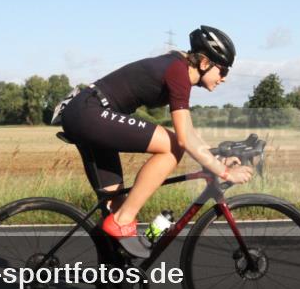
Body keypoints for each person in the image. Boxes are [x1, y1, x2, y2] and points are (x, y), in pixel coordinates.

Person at [60, 25, 253, 241]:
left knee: (115, 207)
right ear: (205, 63)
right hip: (90, 112)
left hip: (87, 113)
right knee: (173, 146)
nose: (224, 78)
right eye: (223, 70)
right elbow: (184, 138)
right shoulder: (178, 71)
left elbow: (188, 130)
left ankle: (114, 267)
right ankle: (123, 220)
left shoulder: (177, 68)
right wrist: (224, 173)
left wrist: (215, 157)